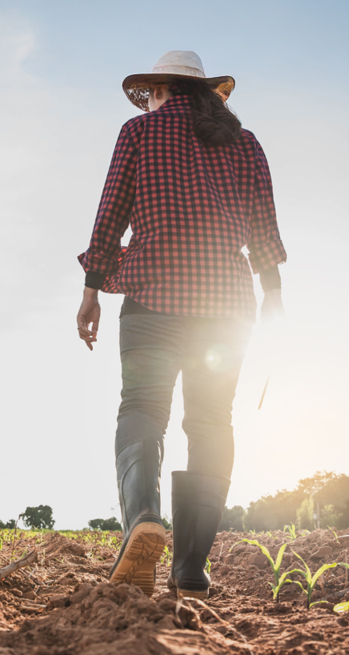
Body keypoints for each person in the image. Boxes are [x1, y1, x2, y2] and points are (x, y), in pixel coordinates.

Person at [76, 50, 287, 599]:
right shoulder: (245, 141)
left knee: (143, 409)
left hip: (153, 297)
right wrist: (274, 299)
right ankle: (191, 566)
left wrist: (91, 289)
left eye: (151, 93)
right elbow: (265, 227)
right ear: (206, 93)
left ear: (164, 90)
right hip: (228, 304)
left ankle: (143, 518)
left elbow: (111, 212)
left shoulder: (139, 132)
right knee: (213, 422)